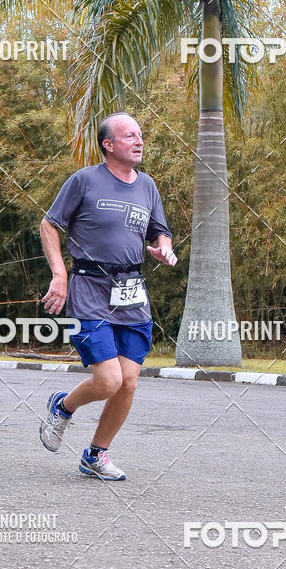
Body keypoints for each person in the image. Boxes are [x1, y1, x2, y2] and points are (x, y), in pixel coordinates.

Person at [38, 112, 177, 480]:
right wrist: (59, 274)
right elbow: (49, 224)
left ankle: (95, 455)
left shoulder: (147, 186)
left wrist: (164, 248)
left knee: (128, 381)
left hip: (132, 294)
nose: (138, 140)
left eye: (140, 134)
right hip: (90, 290)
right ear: (108, 144)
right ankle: (63, 407)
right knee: (108, 380)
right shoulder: (84, 181)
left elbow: (160, 232)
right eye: (129, 135)